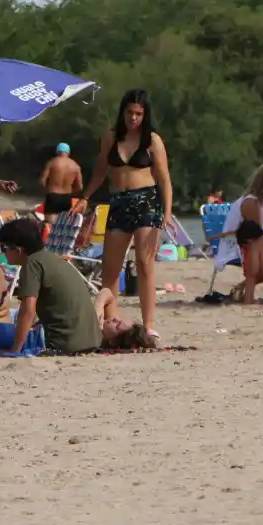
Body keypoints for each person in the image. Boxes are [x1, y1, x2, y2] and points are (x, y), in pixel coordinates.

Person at [77, 88, 173, 340]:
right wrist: (85, 198)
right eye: (129, 112)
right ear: (122, 112)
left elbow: (164, 180)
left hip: (147, 201)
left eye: (138, 113)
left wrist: (168, 212)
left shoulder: (152, 140)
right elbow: (100, 172)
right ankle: (112, 322)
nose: (133, 118)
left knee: (144, 263)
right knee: (111, 268)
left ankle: (149, 323)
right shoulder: (110, 137)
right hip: (118, 202)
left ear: (145, 114)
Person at [0, 216, 101, 354]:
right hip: (90, 341)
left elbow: (27, 311)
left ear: (18, 250)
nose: (3, 252)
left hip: (61, 344)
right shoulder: (52, 259)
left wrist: (15, 349)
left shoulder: (32, 264)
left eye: (4, 248)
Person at [39, 143, 84, 223]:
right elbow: (80, 187)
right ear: (68, 152)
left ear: (57, 151)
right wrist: (71, 193)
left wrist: (46, 192)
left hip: (53, 196)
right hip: (66, 198)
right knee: (62, 227)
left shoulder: (52, 162)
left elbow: (42, 181)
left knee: (50, 225)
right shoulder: (75, 166)